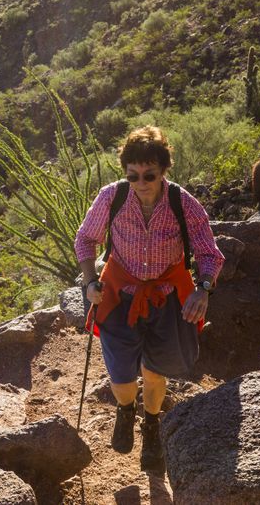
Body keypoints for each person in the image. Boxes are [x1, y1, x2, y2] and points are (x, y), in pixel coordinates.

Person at [74, 125, 225, 473]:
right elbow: (85, 241)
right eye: (133, 175)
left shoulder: (182, 203)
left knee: (155, 371)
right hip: (119, 294)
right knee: (121, 375)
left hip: (166, 298)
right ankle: (126, 410)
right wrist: (89, 281)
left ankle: (152, 425)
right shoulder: (111, 197)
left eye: (149, 174)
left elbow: (209, 254)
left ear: (163, 170)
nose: (141, 182)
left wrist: (203, 289)